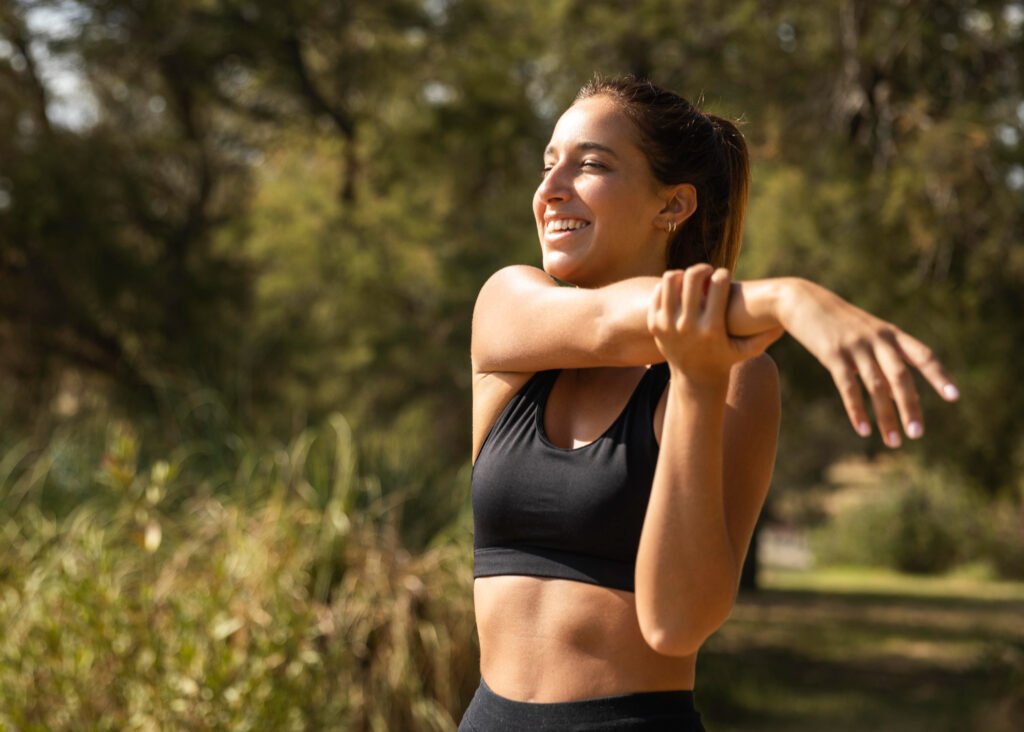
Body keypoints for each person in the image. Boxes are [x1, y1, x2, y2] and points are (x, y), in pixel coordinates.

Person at [460, 76, 958, 731]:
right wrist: (788, 298)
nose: (551, 190)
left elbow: (675, 624)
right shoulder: (510, 310)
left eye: (591, 166)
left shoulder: (738, 379)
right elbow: (610, 323)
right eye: (550, 164)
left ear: (673, 205)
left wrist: (696, 385)